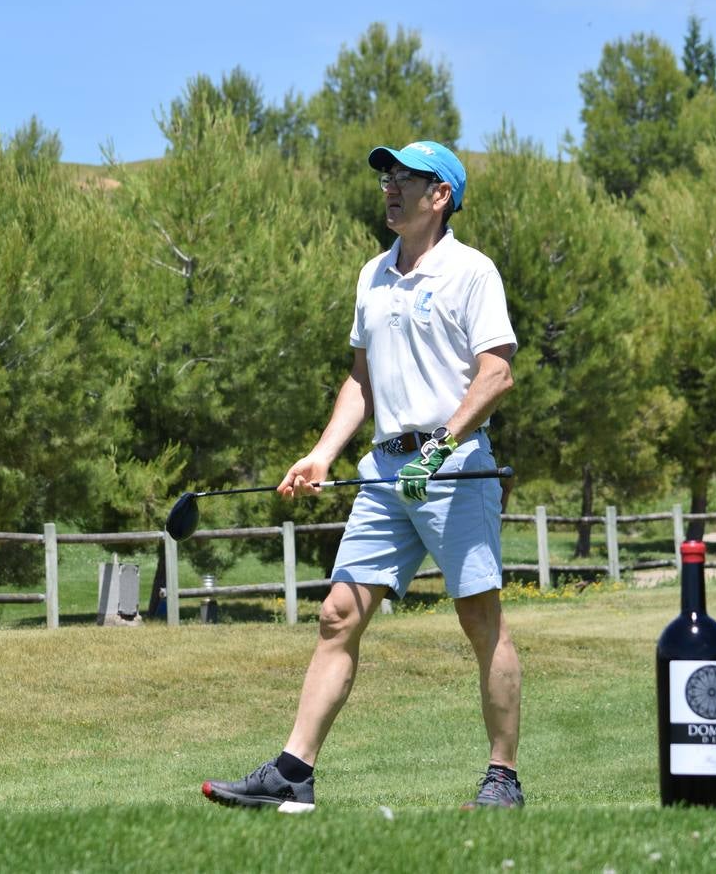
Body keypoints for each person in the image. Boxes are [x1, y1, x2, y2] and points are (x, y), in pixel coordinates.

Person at [200, 140, 522, 812]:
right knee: (338, 613)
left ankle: (502, 779)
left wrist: (440, 445)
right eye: (385, 176)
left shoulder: (472, 271)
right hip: (382, 470)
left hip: (455, 465)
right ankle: (293, 774)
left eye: (405, 177)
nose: (390, 187)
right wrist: (321, 454)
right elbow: (361, 380)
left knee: (479, 618)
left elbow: (496, 373)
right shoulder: (372, 274)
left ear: (442, 195)